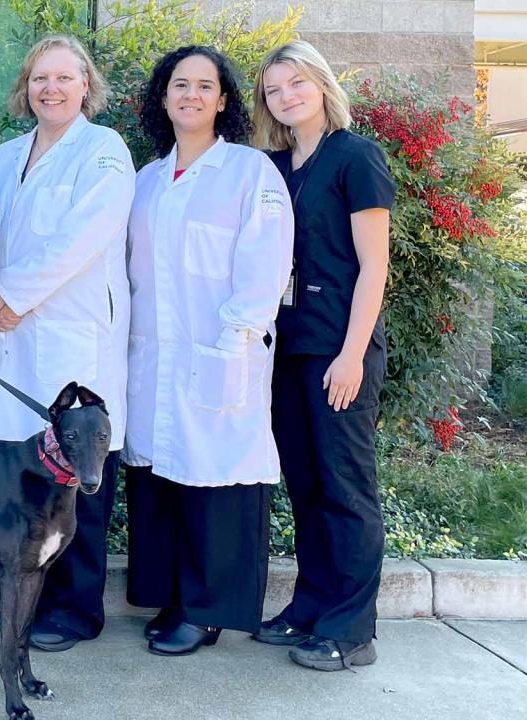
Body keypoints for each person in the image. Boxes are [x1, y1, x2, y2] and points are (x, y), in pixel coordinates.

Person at [123, 45, 294, 656]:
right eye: (178, 84)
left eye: (204, 86)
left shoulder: (251, 173)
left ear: (223, 100)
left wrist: (235, 341)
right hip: (153, 358)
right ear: (162, 97)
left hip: (222, 351)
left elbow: (265, 267)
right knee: (163, 476)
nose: (190, 95)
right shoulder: (144, 180)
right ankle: (173, 595)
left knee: (215, 480)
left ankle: (207, 610)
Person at [0, 34, 134, 652]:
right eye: (40, 79)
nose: (51, 89)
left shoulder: (104, 151)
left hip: (71, 336)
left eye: (64, 78)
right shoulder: (1, 156)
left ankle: (73, 608)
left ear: (85, 85)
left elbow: (83, 237)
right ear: (26, 87)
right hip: (8, 333)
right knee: (20, 480)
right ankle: (24, 600)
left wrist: (9, 293)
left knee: (79, 474)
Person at [251, 40, 395, 671]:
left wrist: (353, 354)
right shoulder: (277, 166)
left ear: (322, 84)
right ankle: (310, 606)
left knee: (346, 489)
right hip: (288, 349)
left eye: (296, 83)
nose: (286, 97)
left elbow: (374, 266)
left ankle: (351, 630)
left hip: (340, 351)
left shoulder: (355, 156)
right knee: (306, 487)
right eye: (275, 89)